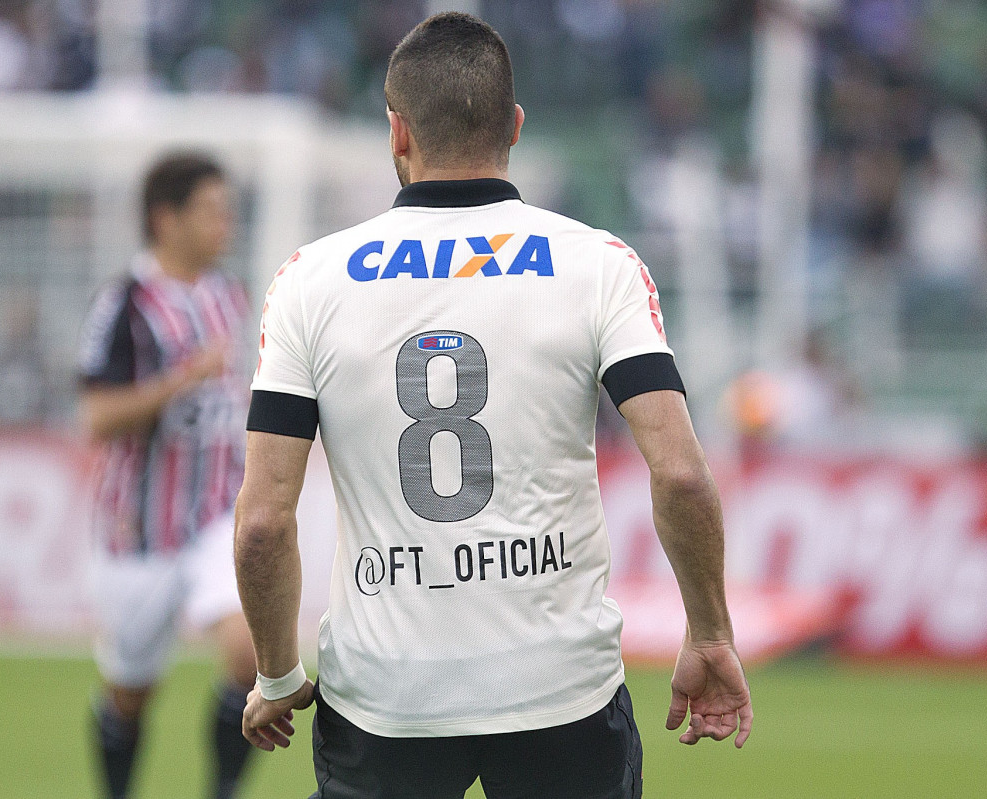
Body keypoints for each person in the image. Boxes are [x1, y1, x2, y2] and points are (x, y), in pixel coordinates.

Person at [235, 12, 752, 799]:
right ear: (514, 125)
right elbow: (680, 473)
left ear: (397, 132)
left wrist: (276, 671)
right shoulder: (599, 264)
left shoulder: (310, 279)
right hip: (559, 686)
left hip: (386, 694)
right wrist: (710, 629)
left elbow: (265, 520)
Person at [77, 153, 258, 799]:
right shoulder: (125, 301)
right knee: (130, 692)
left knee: (248, 651)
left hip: (216, 516)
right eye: (213, 209)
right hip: (139, 530)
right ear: (166, 217)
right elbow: (98, 416)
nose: (226, 222)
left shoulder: (231, 296)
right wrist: (182, 378)